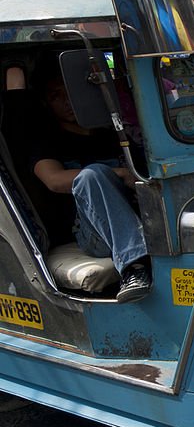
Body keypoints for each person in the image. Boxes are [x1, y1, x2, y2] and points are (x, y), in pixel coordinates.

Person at [30, 75, 150, 302]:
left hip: (140, 216)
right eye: (57, 96)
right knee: (91, 175)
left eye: (70, 93)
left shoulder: (114, 135)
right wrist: (118, 173)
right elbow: (53, 180)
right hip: (94, 232)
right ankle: (134, 268)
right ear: (47, 103)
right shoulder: (48, 141)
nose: (66, 102)